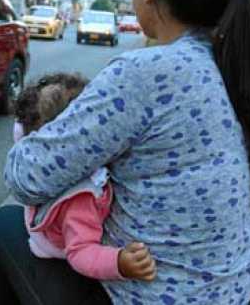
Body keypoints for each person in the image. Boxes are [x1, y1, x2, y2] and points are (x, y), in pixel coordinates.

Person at [0, 0, 250, 305]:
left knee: (0, 228)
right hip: (234, 292)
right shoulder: (239, 63)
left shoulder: (148, 72)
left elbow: (26, 175)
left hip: (154, 296)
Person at [13, 73, 156, 282]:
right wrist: (120, 263)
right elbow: (80, 252)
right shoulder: (81, 197)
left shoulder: (45, 167)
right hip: (62, 260)